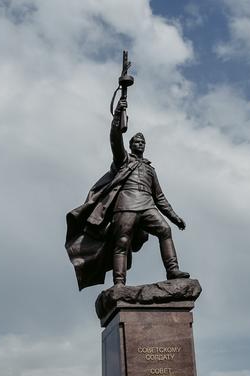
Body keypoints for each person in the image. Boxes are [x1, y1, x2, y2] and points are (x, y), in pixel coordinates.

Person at [65, 96, 189, 289]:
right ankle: (119, 283)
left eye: (142, 142)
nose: (140, 144)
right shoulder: (124, 161)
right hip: (126, 206)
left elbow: (160, 197)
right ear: (131, 145)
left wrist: (175, 217)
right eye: (136, 142)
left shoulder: (150, 169)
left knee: (165, 230)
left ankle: (173, 270)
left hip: (147, 205)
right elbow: (115, 139)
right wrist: (118, 116)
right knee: (122, 242)